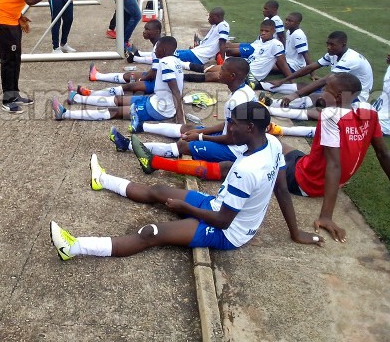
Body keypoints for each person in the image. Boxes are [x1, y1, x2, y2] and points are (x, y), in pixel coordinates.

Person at [50, 101, 322, 261]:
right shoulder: (272, 143)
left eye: (234, 123)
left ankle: (73, 247)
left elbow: (223, 221)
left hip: (228, 231)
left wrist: (186, 210)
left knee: (152, 233)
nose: (229, 127)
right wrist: (295, 233)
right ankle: (102, 179)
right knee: (158, 190)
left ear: (250, 128)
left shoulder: (248, 170)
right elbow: (282, 190)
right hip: (219, 205)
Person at [137, 73, 390, 244]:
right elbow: (382, 152)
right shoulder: (368, 112)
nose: (323, 91)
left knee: (233, 166)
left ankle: (157, 162)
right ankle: (271, 133)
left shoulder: (331, 115)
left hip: (305, 179)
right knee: (273, 143)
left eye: (328, 90)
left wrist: (326, 215)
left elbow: (333, 165)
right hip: (310, 165)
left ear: (338, 97)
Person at [120, 57, 257, 163]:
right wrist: (199, 131)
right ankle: (141, 126)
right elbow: (228, 124)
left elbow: (233, 139)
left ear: (232, 76)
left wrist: (200, 137)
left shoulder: (237, 101)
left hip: (233, 150)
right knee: (188, 128)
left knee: (183, 145)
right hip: (233, 139)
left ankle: (128, 146)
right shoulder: (246, 91)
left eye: (222, 70)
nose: (218, 72)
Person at [52, 36, 183, 124]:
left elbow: (176, 91)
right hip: (155, 101)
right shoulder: (174, 61)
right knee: (117, 100)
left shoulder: (165, 63)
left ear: (164, 49)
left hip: (158, 109)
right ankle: (77, 98)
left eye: (157, 48)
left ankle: (65, 114)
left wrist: (180, 121)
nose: (155, 50)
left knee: (113, 111)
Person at [259, 31, 373, 118]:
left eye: (332, 45)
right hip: (342, 89)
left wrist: (295, 95)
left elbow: (325, 80)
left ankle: (273, 107)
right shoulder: (333, 54)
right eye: (327, 44)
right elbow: (309, 68)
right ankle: (261, 88)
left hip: (356, 96)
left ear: (343, 45)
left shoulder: (350, 59)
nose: (329, 47)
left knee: (319, 97)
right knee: (306, 86)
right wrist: (284, 80)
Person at [193, 19, 291, 85]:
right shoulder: (261, 41)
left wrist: (289, 81)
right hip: (244, 67)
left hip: (250, 75)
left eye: (266, 31)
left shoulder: (276, 45)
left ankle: (183, 77)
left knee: (213, 75)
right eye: (261, 30)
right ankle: (184, 65)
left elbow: (283, 64)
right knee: (212, 68)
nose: (263, 33)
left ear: (274, 31)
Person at [82, 19, 162, 96]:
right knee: (129, 75)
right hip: (157, 78)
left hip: (158, 84)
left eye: (147, 29)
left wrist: (142, 79)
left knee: (128, 87)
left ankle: (91, 93)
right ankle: (97, 76)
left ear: (157, 32)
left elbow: (154, 72)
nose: (144, 32)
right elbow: (155, 65)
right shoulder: (159, 44)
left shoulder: (158, 48)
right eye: (144, 29)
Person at [176, 7, 229, 71]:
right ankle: (198, 44)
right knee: (174, 52)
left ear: (219, 17)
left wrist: (222, 61)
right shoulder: (216, 25)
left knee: (169, 55)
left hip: (198, 56)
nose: (209, 19)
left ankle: (183, 64)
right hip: (196, 52)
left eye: (211, 17)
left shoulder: (223, 26)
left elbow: (222, 43)